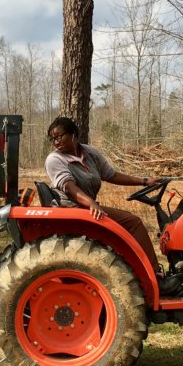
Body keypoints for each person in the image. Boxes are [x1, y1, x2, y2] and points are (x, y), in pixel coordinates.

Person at [44, 116, 163, 271]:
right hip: (73, 209)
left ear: (73, 134)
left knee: (127, 223)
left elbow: (111, 175)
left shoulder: (89, 153)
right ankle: (154, 272)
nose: (56, 142)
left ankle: (137, 270)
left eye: (59, 136)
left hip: (86, 206)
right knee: (133, 223)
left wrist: (144, 181)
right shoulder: (54, 159)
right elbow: (69, 188)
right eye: (52, 139)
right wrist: (91, 203)